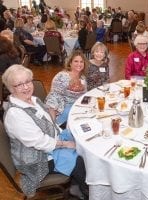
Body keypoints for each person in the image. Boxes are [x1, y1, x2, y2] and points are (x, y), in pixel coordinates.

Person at [2, 64, 88, 199]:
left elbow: (50, 123)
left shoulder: (33, 100)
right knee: (80, 160)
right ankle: (86, 192)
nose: (26, 87)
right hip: (38, 158)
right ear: (11, 88)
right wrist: (66, 144)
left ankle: (76, 186)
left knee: (83, 140)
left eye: (27, 81)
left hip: (52, 142)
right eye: (19, 84)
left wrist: (63, 133)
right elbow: (39, 142)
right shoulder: (15, 114)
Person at [45, 50, 88, 126]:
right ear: (70, 63)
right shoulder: (62, 76)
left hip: (77, 107)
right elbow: (53, 97)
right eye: (76, 61)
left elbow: (84, 96)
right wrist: (53, 124)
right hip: (62, 109)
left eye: (81, 62)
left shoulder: (82, 78)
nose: (79, 64)